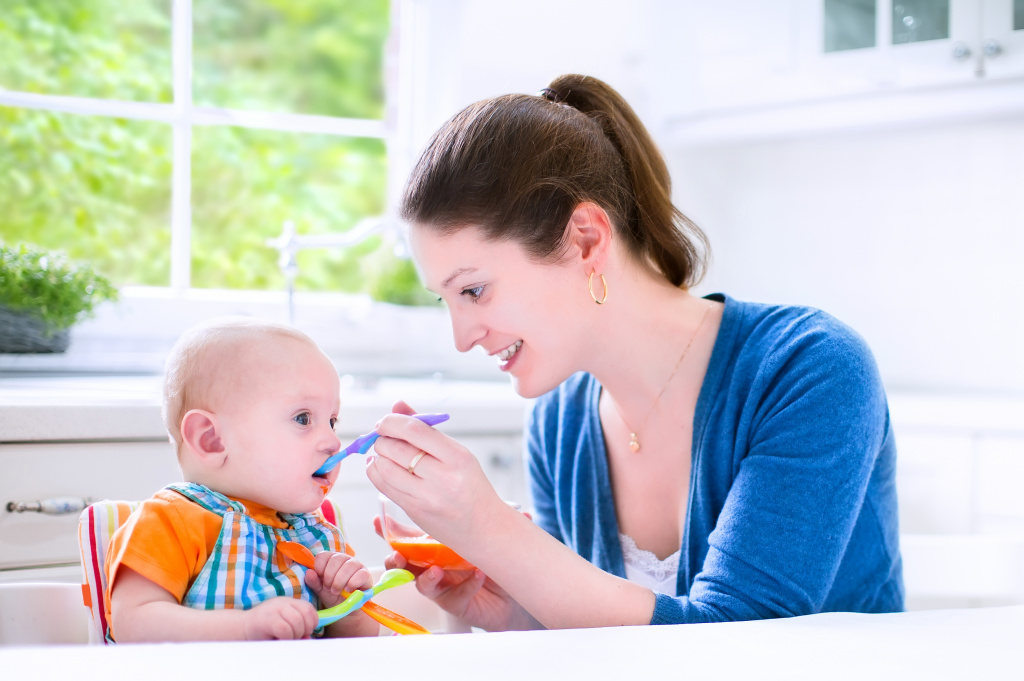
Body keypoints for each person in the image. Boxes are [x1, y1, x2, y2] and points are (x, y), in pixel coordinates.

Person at [365, 74, 903, 630]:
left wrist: (491, 529)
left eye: (474, 290)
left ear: (586, 240)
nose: (462, 336)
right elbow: (617, 642)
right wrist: (516, 613)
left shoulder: (809, 370)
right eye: (447, 300)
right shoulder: (559, 424)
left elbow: (742, 644)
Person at [106, 317, 379, 642]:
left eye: (332, 421)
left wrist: (348, 608)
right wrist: (245, 628)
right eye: (303, 418)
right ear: (212, 440)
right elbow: (133, 624)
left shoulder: (320, 538)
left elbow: (355, 648)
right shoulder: (171, 521)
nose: (333, 442)